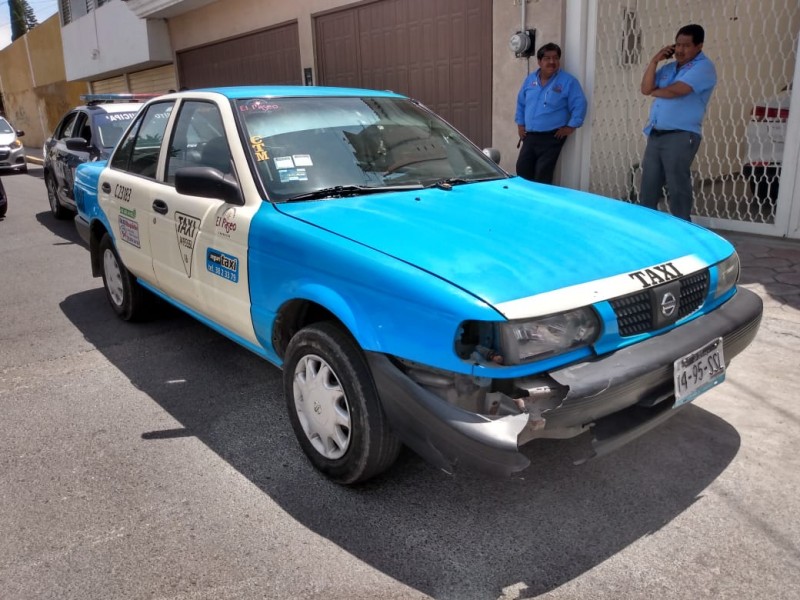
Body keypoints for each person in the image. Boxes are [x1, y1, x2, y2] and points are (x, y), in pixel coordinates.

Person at [639, 24, 717, 221]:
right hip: (657, 133)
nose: (680, 50)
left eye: (686, 45)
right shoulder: (669, 68)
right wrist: (654, 61)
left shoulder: (704, 67)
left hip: (681, 135)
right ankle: (646, 228)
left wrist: (654, 92)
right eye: (678, 45)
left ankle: (683, 228)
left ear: (699, 46)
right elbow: (645, 87)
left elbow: (677, 91)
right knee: (649, 185)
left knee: (677, 186)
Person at [514, 43, 587, 184]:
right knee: (522, 170)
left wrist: (571, 127)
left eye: (555, 58)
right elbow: (521, 103)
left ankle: (540, 205)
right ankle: (525, 203)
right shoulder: (530, 80)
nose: (552, 62)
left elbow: (580, 104)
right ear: (539, 62)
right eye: (547, 58)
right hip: (530, 136)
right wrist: (520, 124)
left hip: (551, 137)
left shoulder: (568, 81)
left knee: (542, 175)